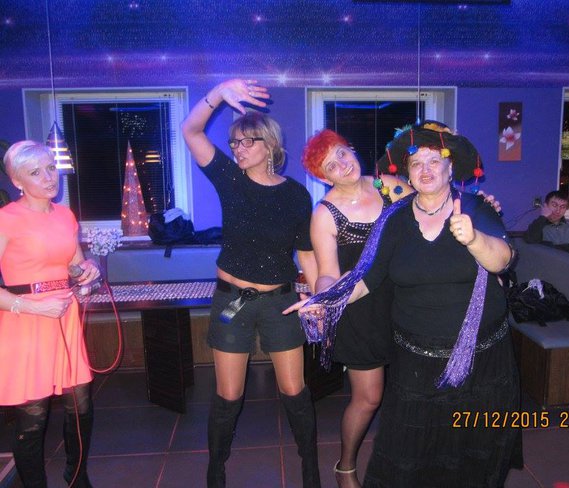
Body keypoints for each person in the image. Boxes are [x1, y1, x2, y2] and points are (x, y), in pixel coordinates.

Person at [287, 121, 522, 487]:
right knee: (407, 437)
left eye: (434, 161)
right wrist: (325, 302)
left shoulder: (466, 206)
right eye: (417, 163)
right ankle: (347, 466)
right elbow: (360, 276)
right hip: (403, 342)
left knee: (473, 442)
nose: (425, 170)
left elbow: (503, 259)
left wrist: (475, 235)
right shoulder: (389, 218)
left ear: (450, 168)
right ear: (408, 173)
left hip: (476, 352)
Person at [181, 79, 321, 488]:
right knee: (229, 394)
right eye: (234, 142)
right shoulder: (230, 178)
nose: (237, 149)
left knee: (295, 391)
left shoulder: (296, 195)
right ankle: (216, 469)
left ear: (270, 145)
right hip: (233, 302)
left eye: (247, 142)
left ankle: (310, 468)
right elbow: (191, 131)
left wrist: (318, 298)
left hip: (280, 302)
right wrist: (218, 93)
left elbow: (306, 254)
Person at [301, 130, 413, 487]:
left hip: (406, 300)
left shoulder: (389, 187)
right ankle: (345, 465)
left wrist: (475, 205)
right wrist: (323, 298)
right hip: (360, 310)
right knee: (368, 398)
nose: (342, 165)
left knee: (410, 391)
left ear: (351, 149)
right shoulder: (325, 213)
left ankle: (404, 458)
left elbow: (433, 210)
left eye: (341, 153)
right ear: (324, 178)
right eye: (330, 166)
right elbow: (327, 272)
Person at [0, 141, 101, 487]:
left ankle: (78, 477)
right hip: (25, 322)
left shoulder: (65, 215)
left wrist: (88, 272)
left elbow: (74, 265)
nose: (48, 177)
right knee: (33, 415)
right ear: (17, 181)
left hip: (64, 319)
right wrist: (33, 306)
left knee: (81, 404)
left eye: (50, 168)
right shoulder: (6, 219)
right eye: (35, 172)